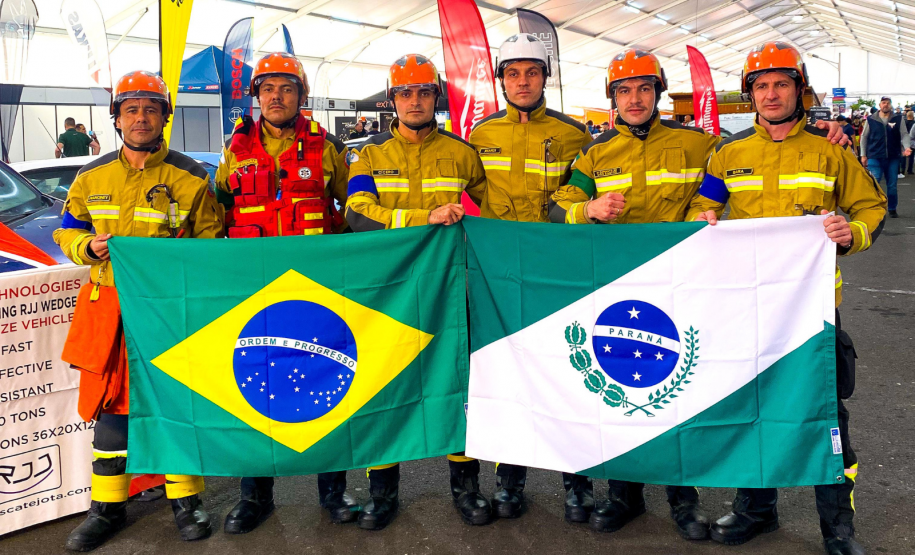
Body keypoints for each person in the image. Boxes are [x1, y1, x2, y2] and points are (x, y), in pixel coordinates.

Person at [687, 41, 887, 555]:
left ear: (799, 89)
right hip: (748, 306)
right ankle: (757, 511)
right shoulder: (727, 154)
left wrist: (852, 232)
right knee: (752, 406)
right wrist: (703, 220)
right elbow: (700, 208)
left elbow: (871, 207)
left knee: (826, 417)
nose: (770, 94)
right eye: (761, 85)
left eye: (781, 84)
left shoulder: (832, 151)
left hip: (814, 310)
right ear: (749, 94)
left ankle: (838, 527)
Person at [549, 48, 720, 542]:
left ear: (659, 93)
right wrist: (590, 208)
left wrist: (829, 131)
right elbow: (560, 205)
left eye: (645, 88)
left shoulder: (700, 145)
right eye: (624, 90)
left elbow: (732, 183)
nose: (635, 98)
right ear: (613, 99)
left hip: (681, 285)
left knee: (679, 393)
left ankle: (683, 501)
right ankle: (624, 495)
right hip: (618, 291)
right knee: (623, 390)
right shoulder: (596, 153)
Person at [54, 71, 222, 552]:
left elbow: (210, 244)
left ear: (165, 116)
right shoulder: (90, 177)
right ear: (117, 117)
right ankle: (106, 510)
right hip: (108, 310)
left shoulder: (192, 177)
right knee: (111, 412)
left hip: (169, 312)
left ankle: (187, 505)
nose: (141, 118)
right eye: (131, 109)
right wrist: (88, 245)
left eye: (151, 109)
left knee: (175, 406)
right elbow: (66, 232)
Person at [213, 51, 357, 534]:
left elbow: (354, 212)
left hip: (317, 296)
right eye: (268, 88)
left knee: (326, 387)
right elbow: (215, 215)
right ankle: (254, 496)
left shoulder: (329, 147)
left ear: (301, 95)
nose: (277, 97)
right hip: (252, 296)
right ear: (256, 96)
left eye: (287, 88)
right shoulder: (233, 149)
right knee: (252, 390)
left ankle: (334, 493)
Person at [345, 53, 487, 530]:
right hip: (389, 293)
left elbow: (491, 221)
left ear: (436, 98)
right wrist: (419, 218)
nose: (414, 100)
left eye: (424, 91)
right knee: (384, 385)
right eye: (405, 93)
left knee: (455, 385)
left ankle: (466, 489)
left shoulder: (466, 154)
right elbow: (358, 214)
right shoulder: (367, 155)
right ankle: (382, 493)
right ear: (391, 100)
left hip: (451, 289)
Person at [467, 32, 594, 522]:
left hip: (558, 270)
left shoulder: (575, 136)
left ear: (546, 77)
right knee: (509, 375)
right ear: (501, 79)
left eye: (532, 72)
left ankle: (577, 483)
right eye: (513, 73)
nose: (523, 82)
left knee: (569, 371)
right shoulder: (479, 135)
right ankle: (510, 479)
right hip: (499, 272)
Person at [860, 96, 910, 217]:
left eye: (888, 103)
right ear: (880, 105)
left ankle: (892, 208)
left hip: (892, 157)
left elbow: (904, 134)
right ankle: (874, 208)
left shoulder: (898, 119)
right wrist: (863, 154)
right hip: (874, 156)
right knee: (874, 183)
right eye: (883, 103)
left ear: (891, 105)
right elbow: (864, 137)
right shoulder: (871, 119)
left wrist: (907, 147)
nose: (885, 105)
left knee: (892, 185)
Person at [905, 110, 915, 175]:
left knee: (909, 157)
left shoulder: (904, 122)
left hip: (907, 141)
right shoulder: (913, 123)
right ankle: (909, 170)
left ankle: (905, 169)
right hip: (912, 141)